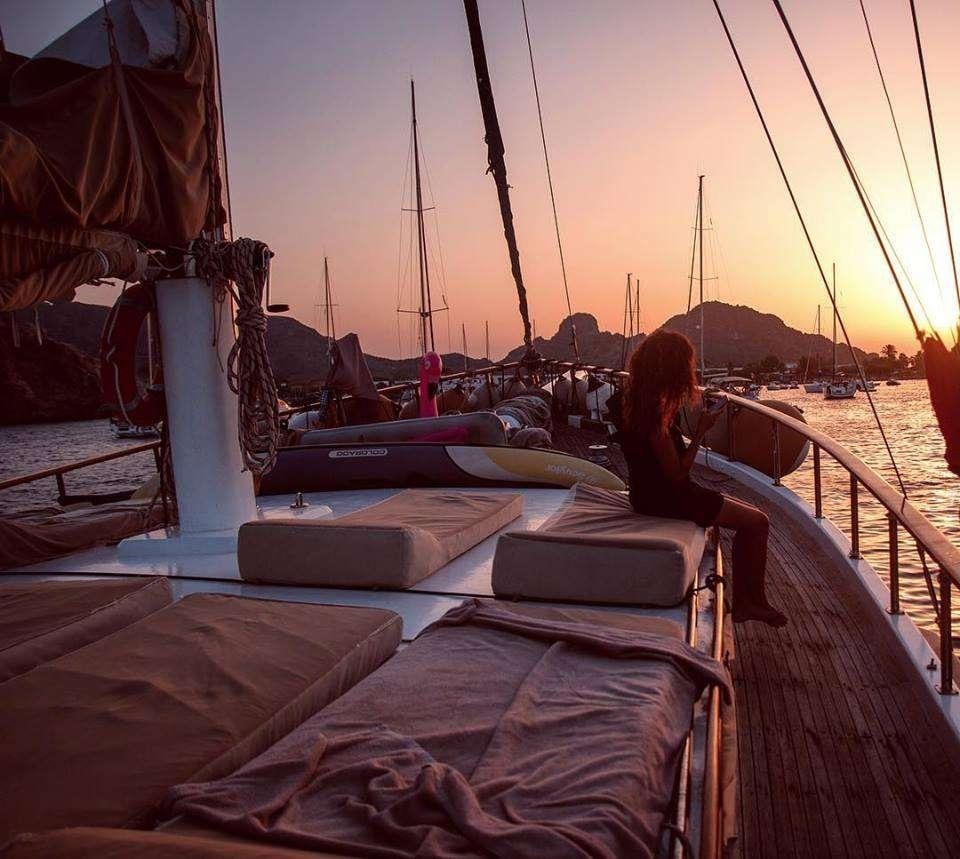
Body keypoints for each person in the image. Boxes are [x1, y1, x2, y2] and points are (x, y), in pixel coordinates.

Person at [616, 330, 786, 627]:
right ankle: (752, 603)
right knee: (758, 522)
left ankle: (749, 601)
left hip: (648, 494)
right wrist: (701, 432)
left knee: (751, 515)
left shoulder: (635, 401)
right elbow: (677, 474)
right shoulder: (656, 412)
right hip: (667, 500)